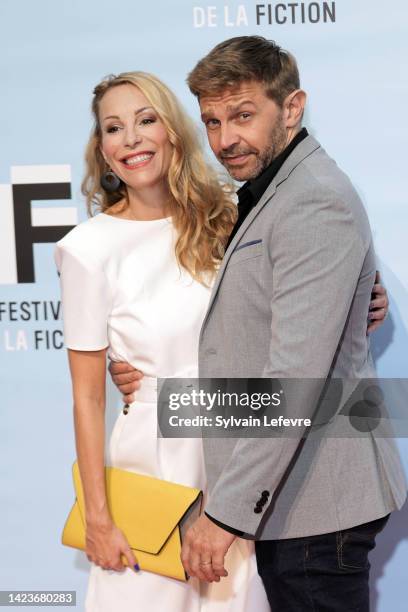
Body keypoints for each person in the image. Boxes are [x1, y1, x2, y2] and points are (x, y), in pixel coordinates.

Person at [110, 37, 405, 611]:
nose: (225, 140)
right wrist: (149, 382)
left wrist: (223, 514)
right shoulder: (265, 192)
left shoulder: (313, 201)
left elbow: (294, 375)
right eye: (212, 121)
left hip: (317, 502)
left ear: (291, 107)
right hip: (288, 495)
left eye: (243, 116)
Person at [55, 70, 271, 611]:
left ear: (172, 132)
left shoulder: (227, 216)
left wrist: (370, 299)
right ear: (102, 151)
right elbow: (86, 396)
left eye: (145, 120)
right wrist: (98, 519)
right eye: (114, 128)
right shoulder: (88, 249)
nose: (131, 138)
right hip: (152, 458)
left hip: (233, 449)